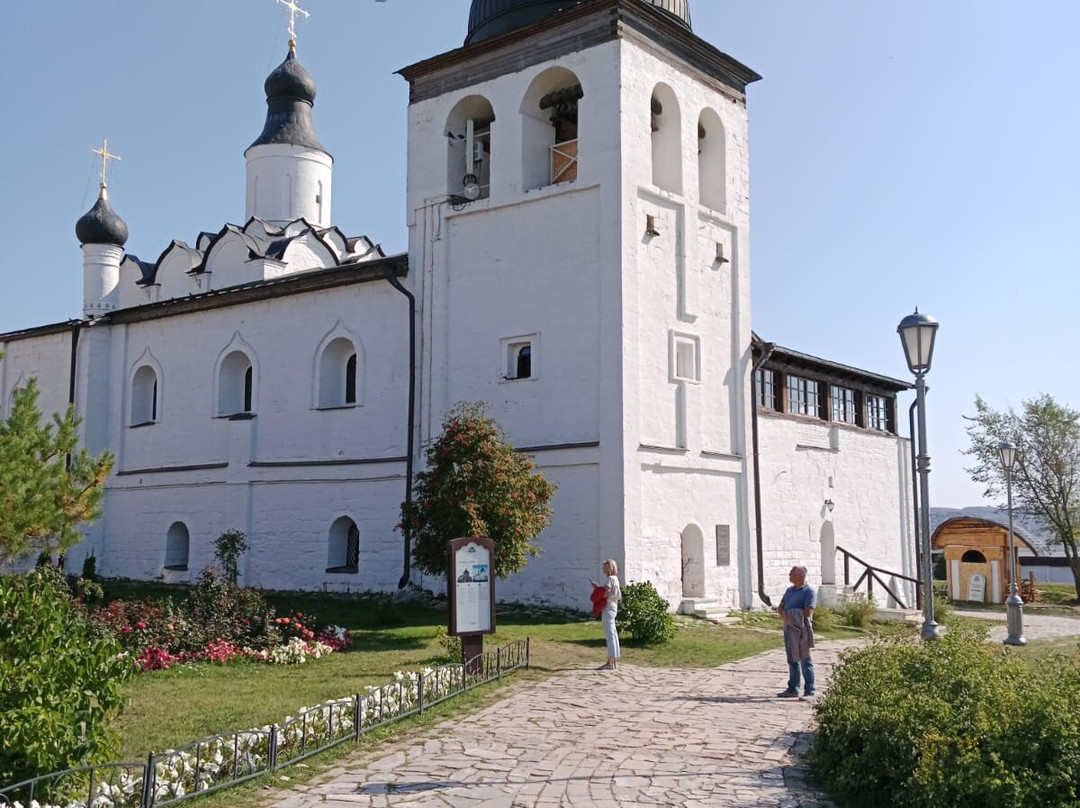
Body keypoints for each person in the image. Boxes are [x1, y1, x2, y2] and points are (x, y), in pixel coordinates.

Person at [777, 565, 816, 700]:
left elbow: (808, 612)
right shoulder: (790, 590)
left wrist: (790, 615)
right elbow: (782, 604)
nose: (789, 575)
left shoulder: (809, 591)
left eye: (791, 574)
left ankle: (809, 691)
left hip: (802, 629)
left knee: (805, 659)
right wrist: (782, 612)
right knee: (792, 659)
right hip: (789, 628)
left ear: (799, 577)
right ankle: (793, 688)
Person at [590, 559, 621, 670]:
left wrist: (597, 591)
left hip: (608, 606)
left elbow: (605, 593)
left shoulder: (610, 579)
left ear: (609, 568)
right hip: (613, 606)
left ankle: (611, 661)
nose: (602, 568)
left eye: (604, 566)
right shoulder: (615, 579)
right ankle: (614, 659)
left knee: (609, 634)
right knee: (613, 632)